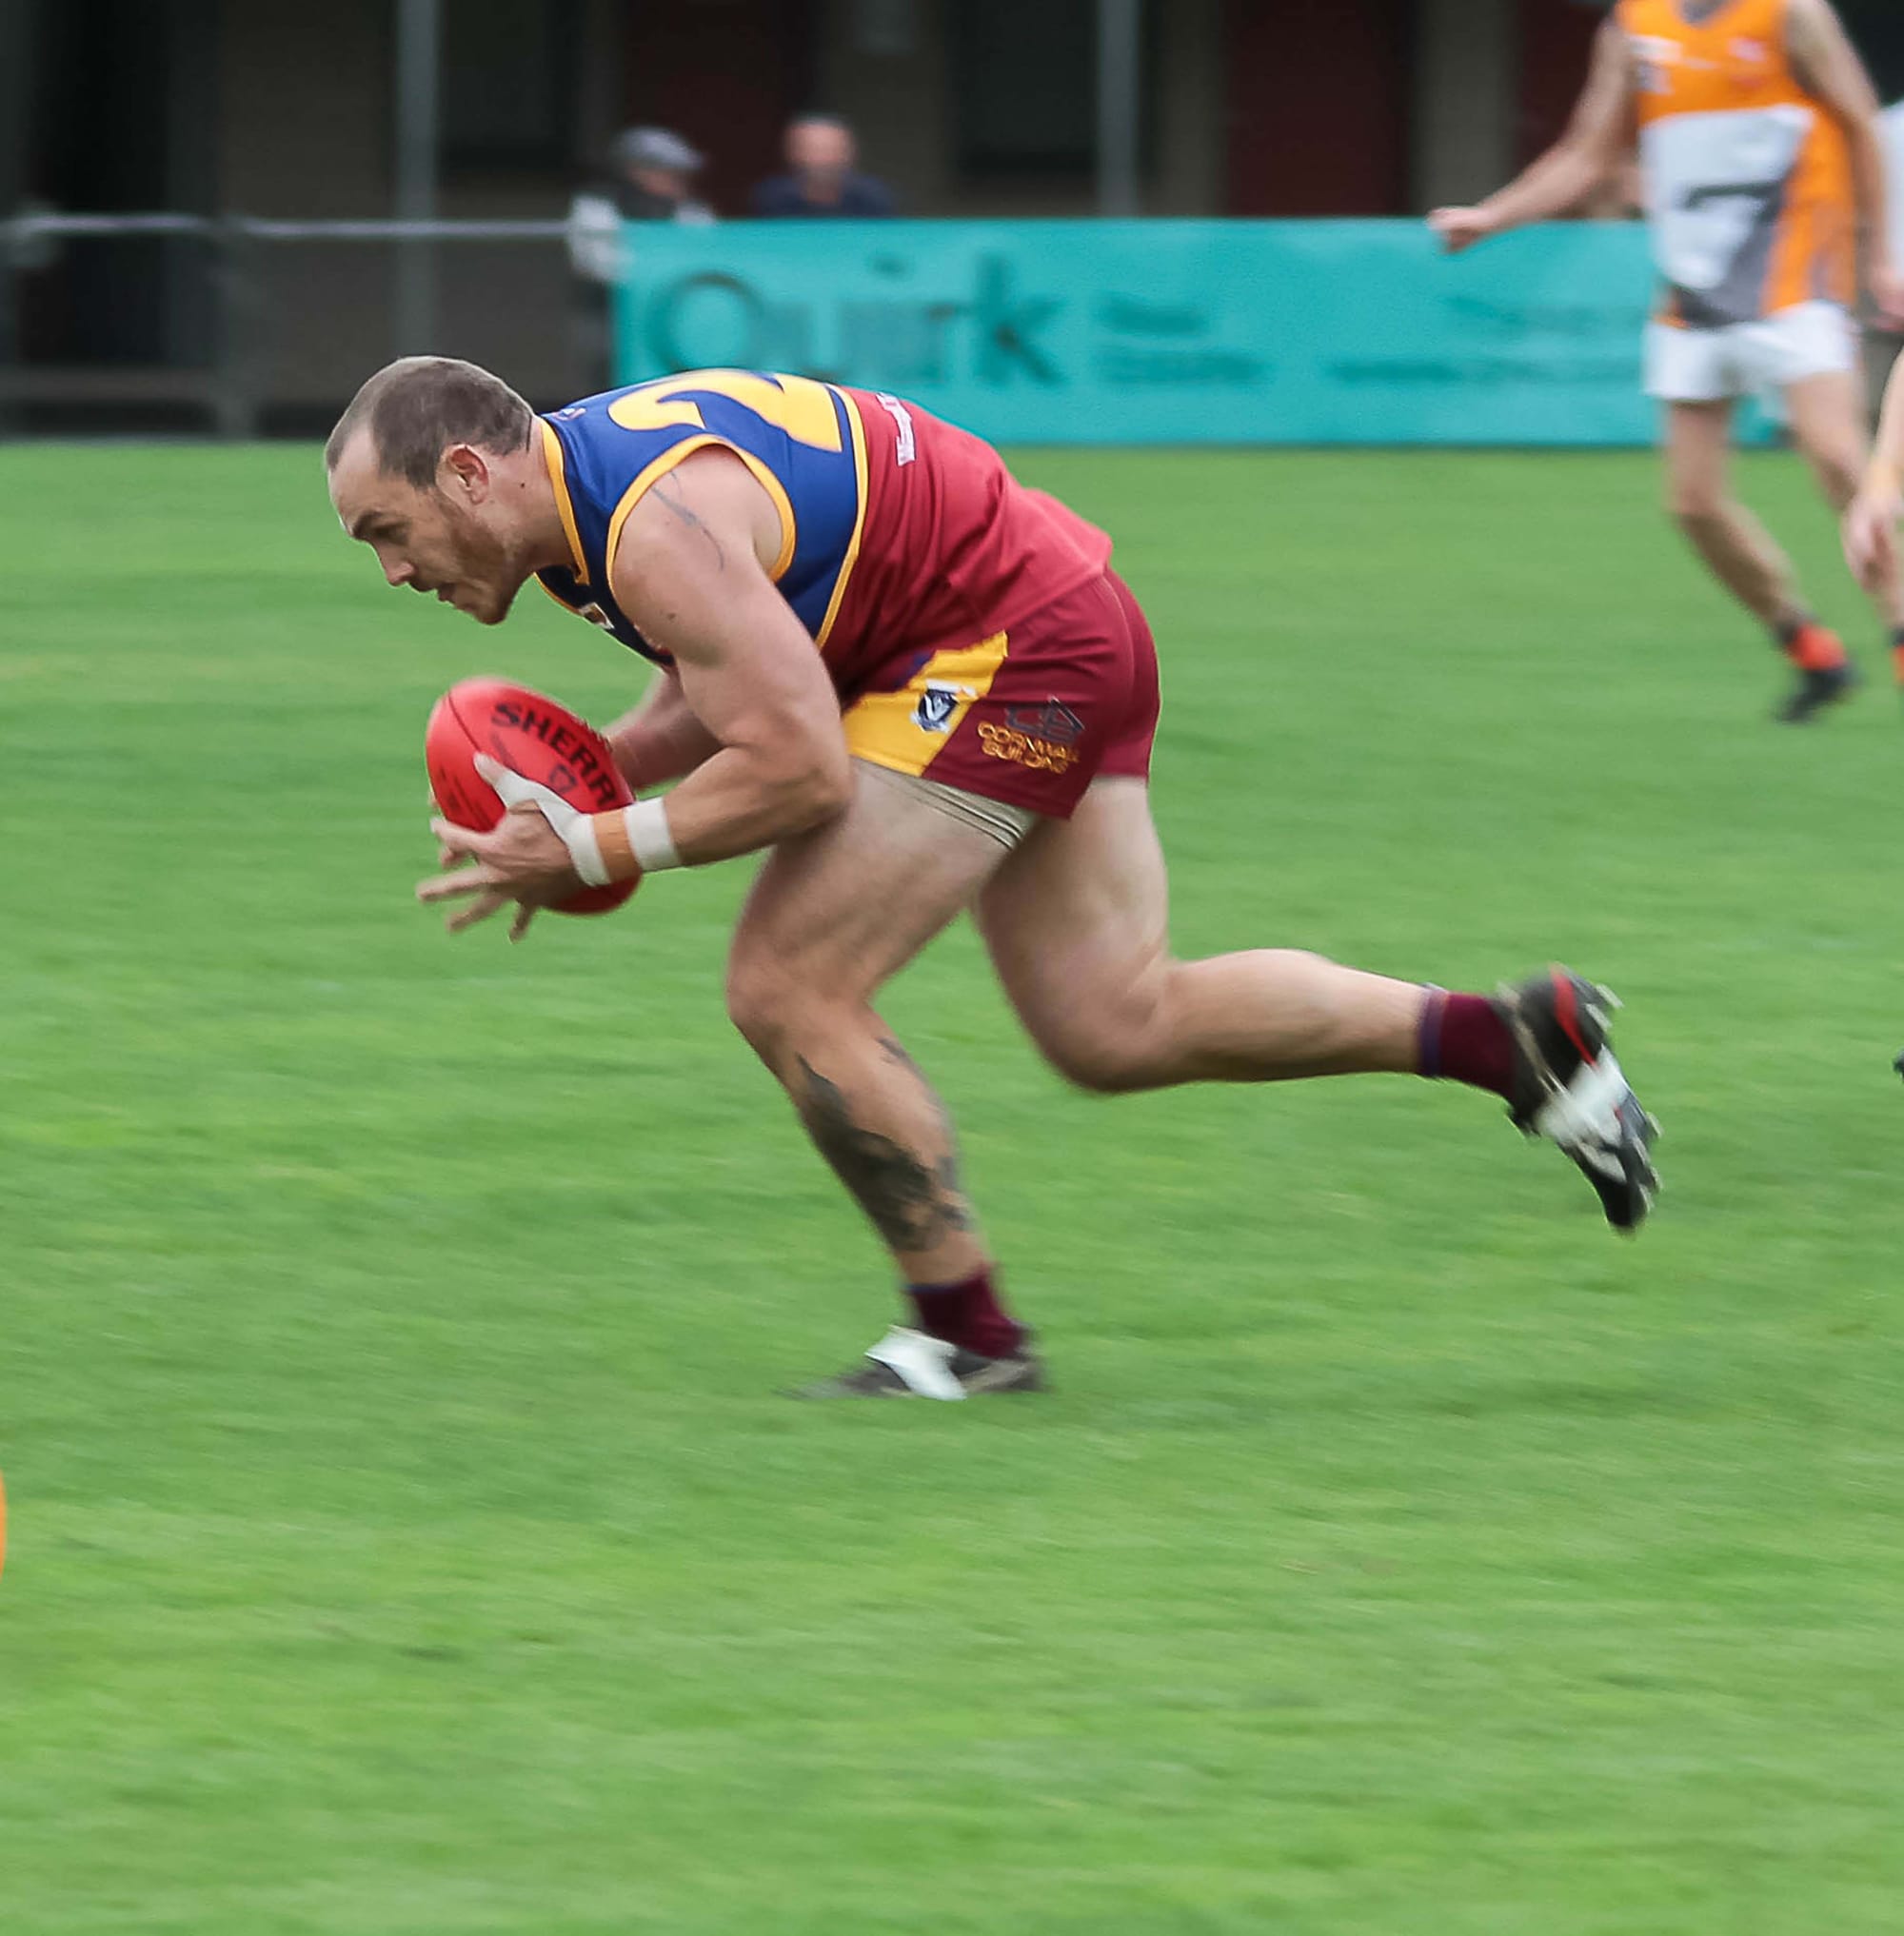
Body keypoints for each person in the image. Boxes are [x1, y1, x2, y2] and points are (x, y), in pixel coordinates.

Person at [325, 358, 1660, 1399]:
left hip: (1007, 650)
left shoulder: (647, 526)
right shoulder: (583, 497)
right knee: (1112, 1021)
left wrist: (600, 845)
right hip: (1059, 616)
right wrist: (599, 769)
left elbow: (796, 767)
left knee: (792, 984)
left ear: (466, 472)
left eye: (391, 530)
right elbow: (727, 669)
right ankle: (1511, 1042)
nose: (393, 570)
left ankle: (967, 1338)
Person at [1431, 0, 1904, 724]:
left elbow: (1860, 119)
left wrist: (1882, 255)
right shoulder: (1633, 28)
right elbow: (1587, 152)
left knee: (1839, 461)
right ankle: (1811, 650)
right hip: (1696, 290)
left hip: (1797, 270)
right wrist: (1493, 218)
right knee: (1691, 503)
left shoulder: (1790, 14)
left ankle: (1900, 637)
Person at [568, 128, 715, 390]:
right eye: (668, 171)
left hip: (675, 318)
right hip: (610, 318)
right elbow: (597, 264)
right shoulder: (598, 206)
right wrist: (656, 271)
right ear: (637, 171)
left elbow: (703, 260)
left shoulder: (690, 210)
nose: (678, 181)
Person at [750, 114, 896, 219]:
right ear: (792, 152)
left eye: (832, 149)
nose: (823, 159)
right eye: (813, 149)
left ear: (850, 152)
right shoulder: (772, 198)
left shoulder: (873, 197)